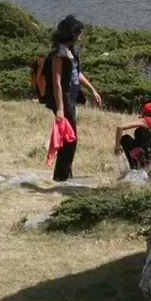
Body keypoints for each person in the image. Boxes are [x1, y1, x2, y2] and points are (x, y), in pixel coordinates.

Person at [47, 15, 102, 183]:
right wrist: (60, 108)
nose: (81, 35)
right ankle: (61, 176)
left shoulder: (71, 52)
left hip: (72, 95)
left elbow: (76, 73)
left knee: (69, 138)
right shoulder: (58, 55)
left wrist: (92, 90)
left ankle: (65, 174)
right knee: (70, 138)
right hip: (64, 99)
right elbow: (57, 83)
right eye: (79, 32)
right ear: (71, 33)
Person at [113, 101, 151, 171]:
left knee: (126, 138)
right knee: (140, 131)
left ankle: (135, 167)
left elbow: (120, 127)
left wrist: (117, 147)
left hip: (149, 158)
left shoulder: (146, 120)